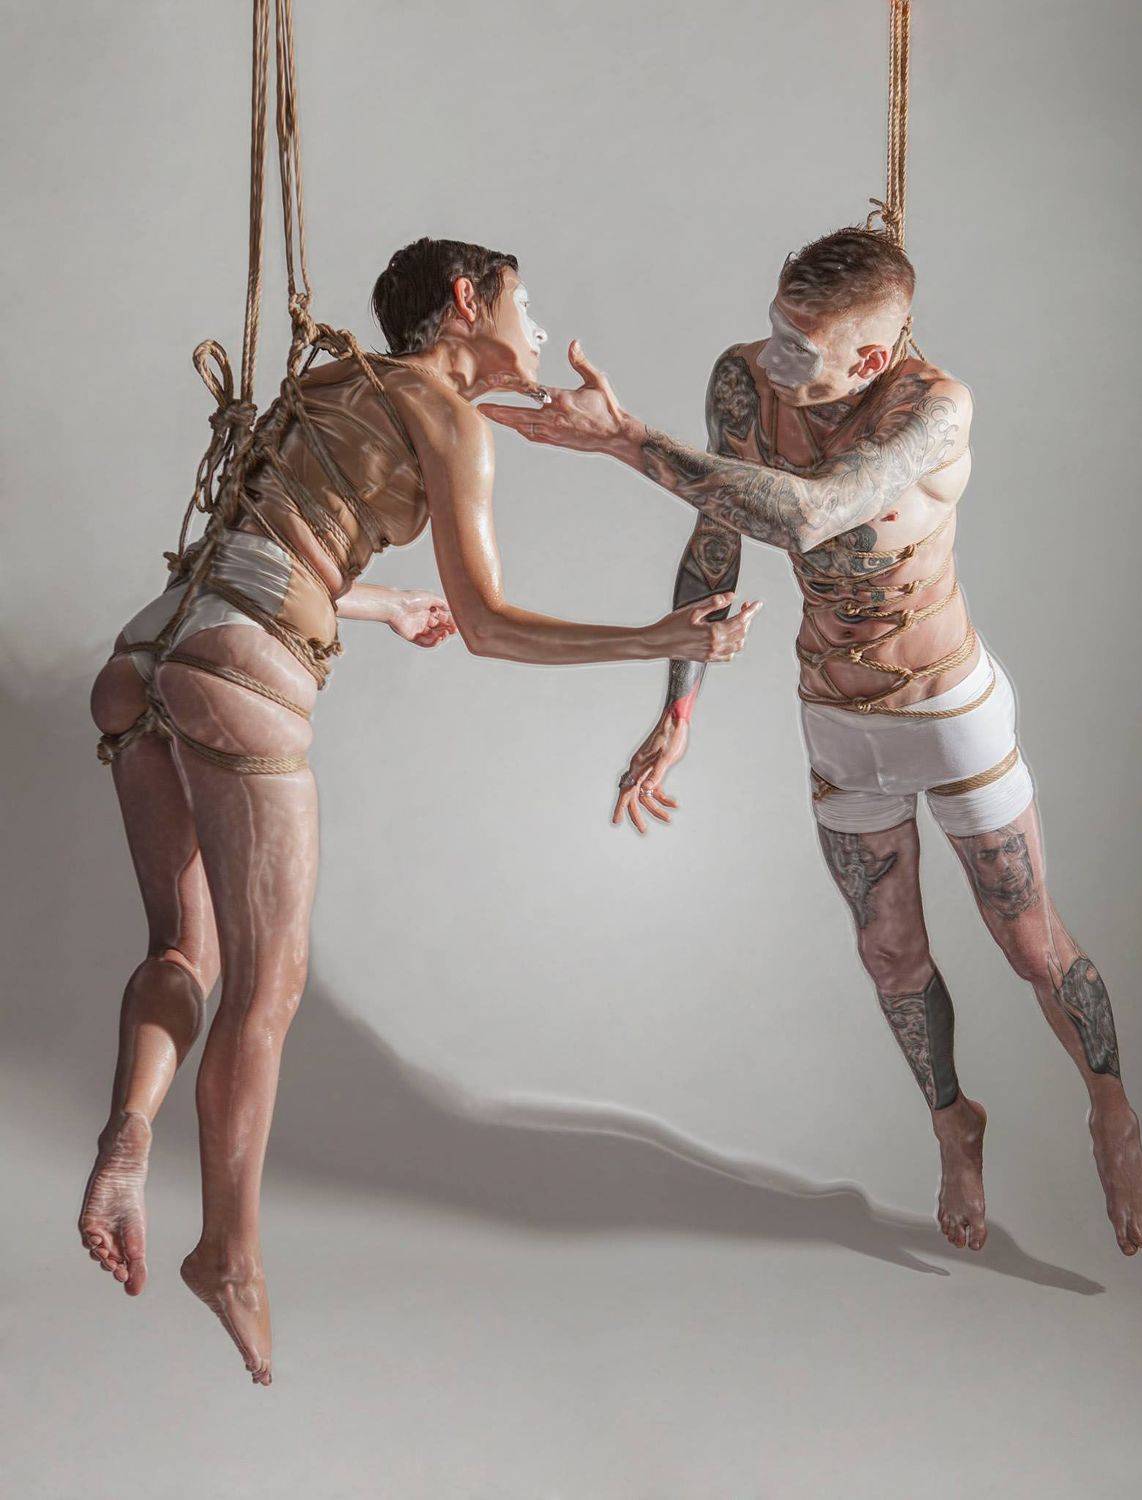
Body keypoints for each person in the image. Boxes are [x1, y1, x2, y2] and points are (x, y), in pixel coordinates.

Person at [79, 236, 762, 1385]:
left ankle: (128, 1132)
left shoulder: (332, 381)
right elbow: (489, 626)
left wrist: (384, 603)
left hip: (149, 651)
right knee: (266, 991)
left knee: (182, 950)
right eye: (522, 303)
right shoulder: (448, 417)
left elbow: (264, 542)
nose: (535, 327)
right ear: (464, 302)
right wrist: (656, 636)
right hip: (240, 674)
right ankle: (227, 1255)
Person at [482, 225, 1142, 1259]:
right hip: (837, 717)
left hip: (944, 711)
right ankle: (952, 1123)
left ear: (872, 356)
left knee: (1028, 941)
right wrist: (677, 714)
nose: (773, 357)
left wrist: (624, 441)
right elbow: (716, 540)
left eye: (800, 348)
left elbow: (809, 516)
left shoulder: (933, 409)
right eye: (774, 329)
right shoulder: (742, 384)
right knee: (886, 952)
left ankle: (1110, 1109)